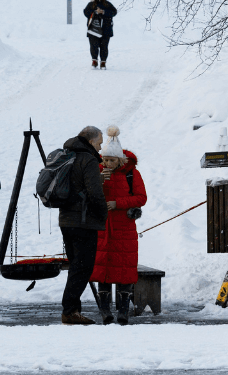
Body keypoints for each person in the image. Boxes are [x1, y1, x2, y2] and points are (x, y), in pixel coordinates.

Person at [91, 127, 147, 325]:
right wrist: (99, 182)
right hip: (102, 228)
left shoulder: (132, 174)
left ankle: (123, 311)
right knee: (103, 268)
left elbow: (142, 198)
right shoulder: (97, 172)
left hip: (124, 228)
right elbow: (88, 196)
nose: (107, 163)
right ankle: (105, 310)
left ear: (120, 160)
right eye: (105, 159)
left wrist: (118, 204)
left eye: (111, 160)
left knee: (124, 268)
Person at [59, 126, 109, 325]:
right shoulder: (88, 159)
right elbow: (94, 192)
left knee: (76, 266)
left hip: (66, 219)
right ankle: (70, 311)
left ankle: (72, 310)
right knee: (83, 267)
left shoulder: (67, 154)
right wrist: (102, 214)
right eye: (99, 141)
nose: (101, 145)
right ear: (90, 141)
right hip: (83, 221)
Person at [83, 0, 117, 69]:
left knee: (104, 46)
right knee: (93, 46)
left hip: (106, 29)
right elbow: (85, 12)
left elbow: (114, 12)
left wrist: (103, 12)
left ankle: (103, 62)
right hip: (93, 29)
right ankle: (94, 61)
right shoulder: (91, 4)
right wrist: (95, 12)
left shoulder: (108, 4)